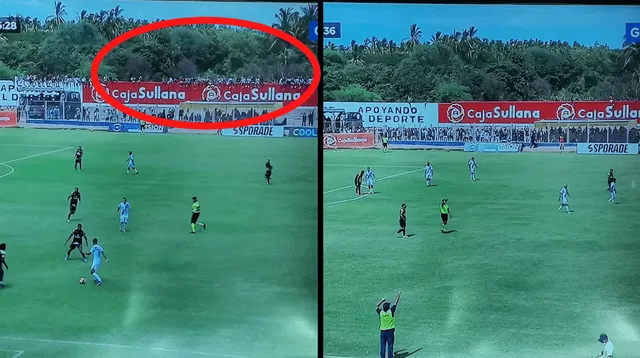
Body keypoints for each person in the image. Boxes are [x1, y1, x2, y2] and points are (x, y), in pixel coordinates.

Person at [376, 291, 401, 358]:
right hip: (390, 332)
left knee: (383, 346)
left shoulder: (381, 313)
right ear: (388, 307)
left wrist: (381, 301)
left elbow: (377, 307)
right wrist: (398, 295)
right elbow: (396, 302)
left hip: (383, 332)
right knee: (390, 346)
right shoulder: (391, 312)